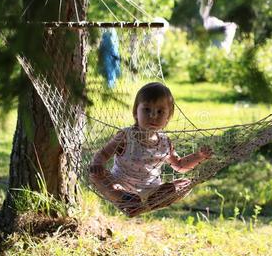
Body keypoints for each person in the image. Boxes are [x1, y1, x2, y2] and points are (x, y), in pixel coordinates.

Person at [89, 82, 212, 216]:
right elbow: (104, 153)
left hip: (152, 191)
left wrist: (199, 156)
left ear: (167, 118)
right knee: (95, 175)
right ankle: (128, 201)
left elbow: (180, 165)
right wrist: (97, 163)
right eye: (147, 110)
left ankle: (142, 206)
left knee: (184, 184)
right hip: (119, 186)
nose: (153, 115)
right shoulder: (125, 136)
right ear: (136, 112)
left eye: (160, 111)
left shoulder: (165, 142)